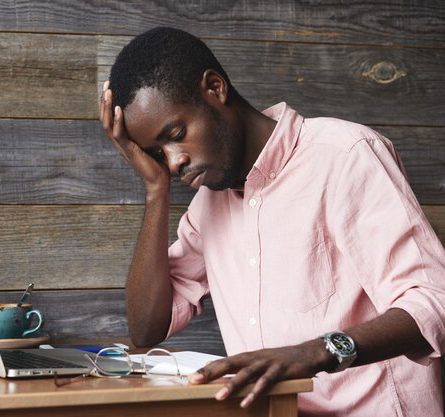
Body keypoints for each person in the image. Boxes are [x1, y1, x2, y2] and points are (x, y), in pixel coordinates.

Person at [98, 27, 445, 416]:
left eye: (176, 134)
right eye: (157, 153)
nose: (174, 160)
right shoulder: (206, 208)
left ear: (215, 88)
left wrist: (316, 352)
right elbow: (147, 329)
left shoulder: (345, 156)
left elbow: (434, 301)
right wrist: (155, 189)